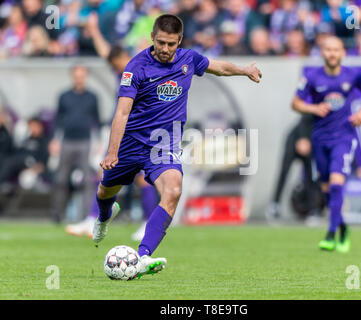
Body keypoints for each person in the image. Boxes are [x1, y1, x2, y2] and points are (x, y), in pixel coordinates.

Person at [92, 14, 262, 278]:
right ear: (152, 37)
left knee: (173, 190)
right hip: (131, 143)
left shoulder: (188, 59)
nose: (165, 49)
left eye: (171, 44)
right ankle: (104, 217)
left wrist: (245, 70)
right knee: (105, 191)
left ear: (179, 40)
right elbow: (122, 113)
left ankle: (142, 257)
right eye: (161, 42)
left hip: (164, 144)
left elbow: (219, 67)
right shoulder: (135, 68)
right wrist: (112, 151)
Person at [65, 45, 159, 241]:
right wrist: (93, 31)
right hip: (123, 132)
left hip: (140, 133)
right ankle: (93, 218)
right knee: (104, 173)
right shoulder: (124, 75)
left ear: (127, 56)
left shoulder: (145, 73)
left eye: (118, 65)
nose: (117, 70)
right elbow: (106, 52)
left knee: (144, 179)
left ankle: (148, 224)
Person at [292, 36, 361, 253]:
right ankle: (343, 228)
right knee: (327, 189)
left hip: (344, 137)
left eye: (336, 50)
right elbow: (295, 103)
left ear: (342, 53)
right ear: (322, 53)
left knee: (337, 184)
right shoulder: (311, 77)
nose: (332, 54)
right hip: (320, 138)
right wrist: (313, 109)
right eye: (328, 50)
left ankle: (330, 235)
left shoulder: (352, 75)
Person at [50, 65, 101, 223]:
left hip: (85, 141)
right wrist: (55, 139)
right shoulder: (64, 96)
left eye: (82, 75)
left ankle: (87, 216)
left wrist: (98, 141)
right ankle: (58, 214)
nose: (79, 78)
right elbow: (58, 119)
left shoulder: (92, 97)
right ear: (73, 76)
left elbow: (97, 120)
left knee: (87, 180)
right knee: (61, 179)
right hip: (67, 141)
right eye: (77, 75)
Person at [0, 117, 49, 188]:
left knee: (12, 162)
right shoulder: (26, 139)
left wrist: (36, 168)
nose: (33, 128)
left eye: (35, 126)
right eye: (31, 126)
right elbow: (15, 151)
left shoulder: (44, 141)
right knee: (7, 160)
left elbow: (43, 161)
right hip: (18, 163)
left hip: (32, 162)